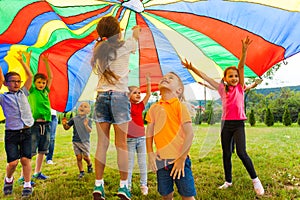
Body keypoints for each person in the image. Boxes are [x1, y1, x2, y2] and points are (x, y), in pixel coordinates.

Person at [181, 36, 264, 196]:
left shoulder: (240, 87)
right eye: (230, 76)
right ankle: (228, 181)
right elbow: (206, 77)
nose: (234, 78)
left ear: (239, 79)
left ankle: (255, 180)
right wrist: (192, 69)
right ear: (225, 79)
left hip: (238, 124)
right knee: (226, 153)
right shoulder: (221, 89)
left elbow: (240, 66)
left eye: (236, 76)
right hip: (226, 124)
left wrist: (244, 51)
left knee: (241, 152)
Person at [91, 16, 140, 200]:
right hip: (119, 97)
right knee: (122, 146)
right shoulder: (126, 45)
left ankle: (98, 185)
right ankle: (123, 187)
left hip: (102, 96)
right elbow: (136, 35)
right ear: (118, 32)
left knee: (101, 144)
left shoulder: (98, 49)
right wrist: (135, 30)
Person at [146, 72, 196, 200]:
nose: (165, 78)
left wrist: (181, 159)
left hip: (180, 161)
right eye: (164, 78)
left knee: (187, 196)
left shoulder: (180, 107)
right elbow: (149, 132)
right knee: (166, 195)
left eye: (170, 78)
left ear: (179, 90)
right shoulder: (153, 108)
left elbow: (189, 134)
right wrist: (150, 152)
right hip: (161, 162)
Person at [0, 51, 34, 197]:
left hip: (27, 131)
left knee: (26, 159)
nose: (16, 83)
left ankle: (27, 184)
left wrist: (22, 61)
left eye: (18, 81)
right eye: (13, 81)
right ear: (6, 84)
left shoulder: (23, 92)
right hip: (12, 133)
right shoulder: (3, 97)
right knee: (13, 163)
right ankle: (8, 179)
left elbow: (30, 76)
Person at [27, 53, 53, 180]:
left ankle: (37, 172)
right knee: (30, 151)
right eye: (39, 82)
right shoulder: (32, 90)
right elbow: (30, 76)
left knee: (43, 150)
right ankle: (24, 175)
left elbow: (51, 77)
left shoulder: (45, 91)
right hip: (35, 124)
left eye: (43, 82)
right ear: (34, 83)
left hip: (46, 123)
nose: (41, 84)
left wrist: (46, 62)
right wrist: (26, 61)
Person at [127, 75, 151, 195]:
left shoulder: (140, 106)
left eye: (139, 92)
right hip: (129, 140)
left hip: (141, 139)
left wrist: (148, 83)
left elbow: (148, 95)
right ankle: (128, 186)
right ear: (128, 95)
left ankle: (143, 185)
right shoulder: (126, 106)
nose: (138, 94)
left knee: (142, 163)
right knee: (129, 164)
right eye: (135, 93)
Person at [61, 102, 93, 179]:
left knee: (86, 157)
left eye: (85, 106)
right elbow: (67, 128)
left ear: (88, 111)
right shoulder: (74, 119)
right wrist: (64, 124)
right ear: (78, 108)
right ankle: (81, 172)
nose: (82, 107)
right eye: (81, 106)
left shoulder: (88, 120)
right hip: (76, 141)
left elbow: (89, 131)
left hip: (85, 142)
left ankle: (89, 164)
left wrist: (86, 125)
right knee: (78, 157)